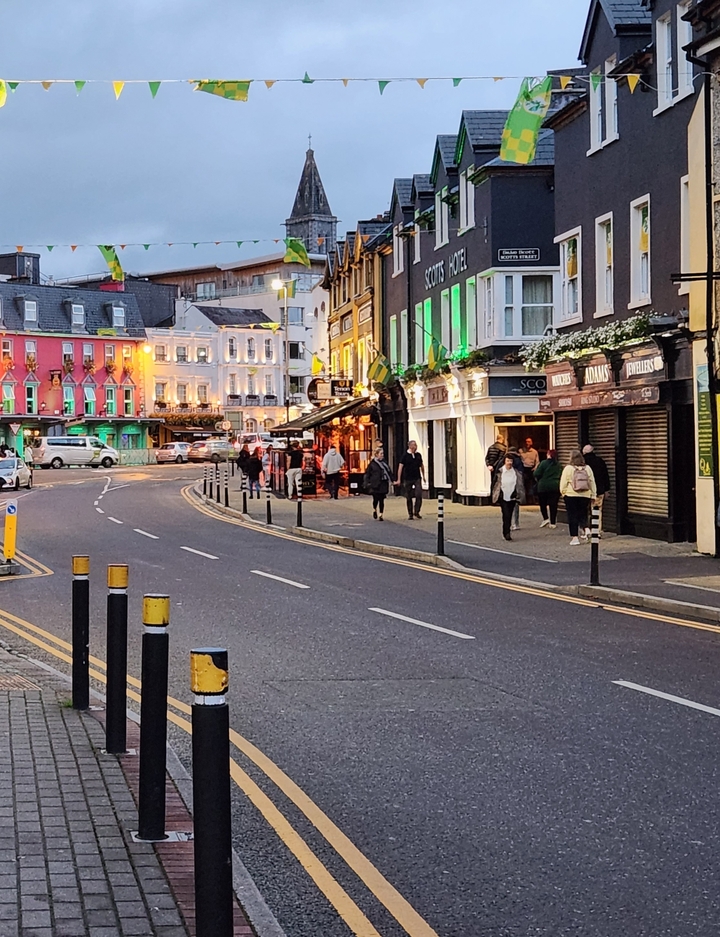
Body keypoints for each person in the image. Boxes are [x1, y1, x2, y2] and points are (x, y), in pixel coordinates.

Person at [559, 449, 597, 545]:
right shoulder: (587, 468)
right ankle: (587, 529)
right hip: (585, 495)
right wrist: (593, 494)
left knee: (572, 516)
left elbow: (563, 482)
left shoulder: (568, 468)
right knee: (583, 514)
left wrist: (563, 492)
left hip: (571, 495)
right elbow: (592, 481)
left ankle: (575, 538)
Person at [491, 453, 526, 541]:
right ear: (504, 462)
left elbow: (520, 485)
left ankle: (507, 531)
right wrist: (493, 495)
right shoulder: (500, 472)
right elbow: (494, 484)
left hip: (513, 496)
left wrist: (521, 495)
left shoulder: (516, 473)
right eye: (507, 461)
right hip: (503, 496)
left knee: (509, 514)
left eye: (511, 461)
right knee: (506, 514)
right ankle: (506, 532)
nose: (509, 463)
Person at [582, 444, 611, 537]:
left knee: (585, 510)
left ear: (584, 452)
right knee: (597, 510)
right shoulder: (600, 461)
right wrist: (607, 489)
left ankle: (587, 530)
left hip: (584, 491)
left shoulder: (583, 462)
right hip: (599, 490)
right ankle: (597, 531)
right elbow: (605, 476)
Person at [396, 440, 426, 520]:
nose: (415, 447)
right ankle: (410, 514)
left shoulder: (418, 455)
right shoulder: (405, 456)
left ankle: (417, 511)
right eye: (413, 446)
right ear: (409, 446)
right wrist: (399, 479)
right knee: (408, 496)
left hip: (417, 477)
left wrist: (424, 476)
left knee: (418, 494)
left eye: (416, 445)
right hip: (408, 478)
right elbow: (400, 468)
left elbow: (421, 466)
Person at [363, 445, 393, 521]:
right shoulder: (372, 464)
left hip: (383, 483)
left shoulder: (385, 463)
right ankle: (374, 509)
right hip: (375, 484)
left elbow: (389, 472)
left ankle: (381, 514)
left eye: (383, 454)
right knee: (376, 499)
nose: (382, 455)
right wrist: (366, 482)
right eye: (381, 454)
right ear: (376, 454)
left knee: (382, 500)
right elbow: (367, 474)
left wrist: (393, 480)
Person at [533, 449, 562, 528]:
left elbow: (536, 473)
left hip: (543, 486)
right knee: (554, 505)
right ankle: (553, 522)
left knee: (543, 503)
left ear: (548, 454)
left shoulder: (543, 463)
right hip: (555, 486)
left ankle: (545, 518)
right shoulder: (558, 464)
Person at [519, 437, 540, 504]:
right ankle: (523, 501)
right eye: (526, 441)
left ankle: (531, 501)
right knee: (523, 485)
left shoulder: (534, 452)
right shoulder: (520, 451)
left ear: (532, 443)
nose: (527, 443)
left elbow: (537, 462)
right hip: (523, 470)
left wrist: (535, 468)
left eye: (529, 441)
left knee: (531, 485)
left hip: (531, 470)